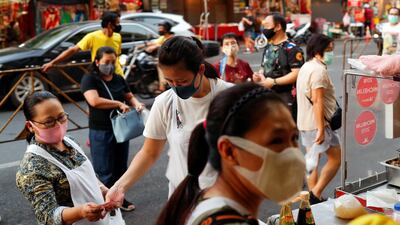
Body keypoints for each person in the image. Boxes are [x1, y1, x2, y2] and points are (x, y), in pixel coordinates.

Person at [154, 83, 306, 225]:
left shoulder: (216, 207)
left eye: (294, 137)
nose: (292, 153)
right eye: (276, 141)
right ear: (229, 151)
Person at [105, 36, 232, 202]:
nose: (175, 87)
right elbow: (149, 152)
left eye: (182, 81)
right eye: (169, 81)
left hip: (227, 201)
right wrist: (119, 187)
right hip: (185, 201)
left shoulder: (231, 98)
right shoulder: (165, 102)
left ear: (200, 70)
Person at [16, 91, 114, 225]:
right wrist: (80, 212)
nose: (58, 125)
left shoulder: (70, 142)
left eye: (61, 117)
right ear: (30, 126)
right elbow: (47, 216)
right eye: (49, 121)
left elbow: (89, 177)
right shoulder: (31, 168)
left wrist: (104, 190)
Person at [81, 46, 144, 211]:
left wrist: (137, 104)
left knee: (120, 168)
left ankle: (119, 199)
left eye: (113, 62)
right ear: (97, 62)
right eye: (106, 62)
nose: (109, 65)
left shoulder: (118, 78)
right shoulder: (89, 79)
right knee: (104, 170)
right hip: (101, 130)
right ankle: (105, 204)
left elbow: (128, 95)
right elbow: (94, 101)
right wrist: (117, 103)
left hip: (121, 130)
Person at [296, 34, 341, 205]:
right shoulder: (318, 71)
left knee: (312, 159)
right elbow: (317, 100)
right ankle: (315, 193)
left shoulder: (306, 66)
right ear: (318, 50)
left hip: (305, 122)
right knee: (336, 158)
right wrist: (321, 129)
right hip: (318, 123)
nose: (331, 53)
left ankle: (313, 199)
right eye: (329, 49)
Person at [42, 11, 124, 76]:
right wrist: (52, 63)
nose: (119, 25)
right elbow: (73, 50)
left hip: (118, 75)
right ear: (110, 24)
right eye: (117, 23)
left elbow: (117, 56)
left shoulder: (118, 37)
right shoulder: (92, 37)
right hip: (101, 75)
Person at [254, 13, 304, 114]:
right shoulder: (269, 46)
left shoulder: (292, 48)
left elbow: (297, 73)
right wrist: (259, 76)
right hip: (269, 95)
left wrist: (273, 82)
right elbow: (264, 67)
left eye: (267, 26)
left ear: (277, 27)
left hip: (287, 98)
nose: (264, 29)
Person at [144, 20, 175, 92]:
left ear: (166, 29)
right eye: (159, 28)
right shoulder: (163, 37)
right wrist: (141, 45)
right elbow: (154, 42)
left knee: (159, 64)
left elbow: (165, 44)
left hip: (171, 59)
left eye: (161, 28)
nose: (159, 29)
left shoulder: (171, 37)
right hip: (164, 57)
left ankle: (162, 86)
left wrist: (156, 46)